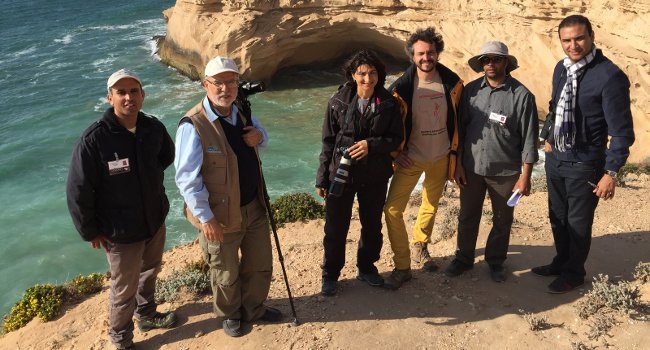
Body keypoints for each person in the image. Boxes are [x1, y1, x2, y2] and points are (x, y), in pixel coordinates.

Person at [66, 69, 177, 350]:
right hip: (120, 231)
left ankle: (147, 315)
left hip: (153, 220)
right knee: (123, 288)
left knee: (150, 270)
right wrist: (90, 230)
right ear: (110, 97)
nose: (129, 97)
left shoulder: (153, 128)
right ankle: (121, 339)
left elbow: (166, 156)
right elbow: (78, 190)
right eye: (121, 92)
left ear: (143, 95)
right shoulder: (95, 139)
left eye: (134, 91)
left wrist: (145, 182)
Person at [174, 56, 282, 337]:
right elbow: (187, 178)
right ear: (205, 84)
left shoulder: (241, 111)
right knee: (224, 271)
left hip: (254, 207)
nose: (225, 88)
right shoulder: (193, 124)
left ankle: (254, 308)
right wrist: (205, 218)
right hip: (218, 215)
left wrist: (259, 136)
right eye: (218, 83)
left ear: (237, 84)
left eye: (231, 82)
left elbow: (264, 138)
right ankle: (230, 314)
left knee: (259, 265)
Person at [534, 15, 635, 293]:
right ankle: (561, 261)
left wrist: (611, 173)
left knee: (578, 221)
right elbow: (555, 105)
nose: (573, 45)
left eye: (579, 38)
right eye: (566, 40)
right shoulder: (561, 68)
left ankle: (573, 273)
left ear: (592, 36)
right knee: (557, 216)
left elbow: (622, 132)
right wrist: (547, 138)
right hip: (556, 158)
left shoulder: (609, 76)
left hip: (585, 162)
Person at [443, 41, 539, 283]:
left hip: (505, 171)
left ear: (506, 62)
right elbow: (461, 131)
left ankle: (496, 261)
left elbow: (529, 139)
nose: (490, 64)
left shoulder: (522, 96)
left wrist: (525, 176)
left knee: (502, 218)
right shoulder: (471, 91)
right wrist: (459, 165)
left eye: (496, 59)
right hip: (472, 168)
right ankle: (463, 258)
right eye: (486, 60)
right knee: (467, 215)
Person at [315, 49, 403, 296]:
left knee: (372, 225)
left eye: (372, 73)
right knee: (335, 227)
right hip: (341, 174)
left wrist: (370, 145)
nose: (367, 79)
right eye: (362, 73)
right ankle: (330, 275)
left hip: (374, 175)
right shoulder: (338, 102)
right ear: (353, 75)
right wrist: (322, 177)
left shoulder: (388, 103)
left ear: (379, 74)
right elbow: (328, 142)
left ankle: (366, 267)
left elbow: (395, 138)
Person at [383, 27, 464, 290]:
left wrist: (457, 157)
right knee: (392, 209)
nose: (426, 57)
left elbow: (461, 122)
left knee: (430, 204)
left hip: (441, 157)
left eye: (430, 52)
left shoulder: (453, 83)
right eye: (420, 53)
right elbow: (388, 125)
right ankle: (403, 264)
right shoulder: (400, 88)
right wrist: (396, 152)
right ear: (412, 56)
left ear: (437, 53)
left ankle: (420, 245)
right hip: (411, 159)